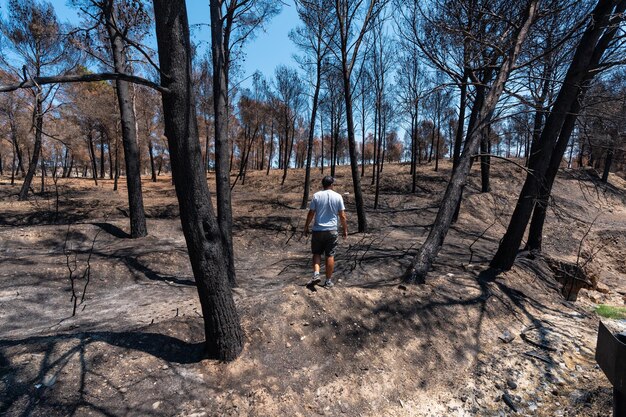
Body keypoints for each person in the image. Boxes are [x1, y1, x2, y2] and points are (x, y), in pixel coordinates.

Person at [303, 175, 348, 288]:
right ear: (331, 184)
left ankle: (316, 274)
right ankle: (328, 281)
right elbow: (342, 216)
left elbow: (311, 213)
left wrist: (306, 227)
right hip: (332, 230)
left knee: (316, 253)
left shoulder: (316, 196)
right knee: (330, 255)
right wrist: (345, 229)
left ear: (323, 184)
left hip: (318, 230)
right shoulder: (338, 196)